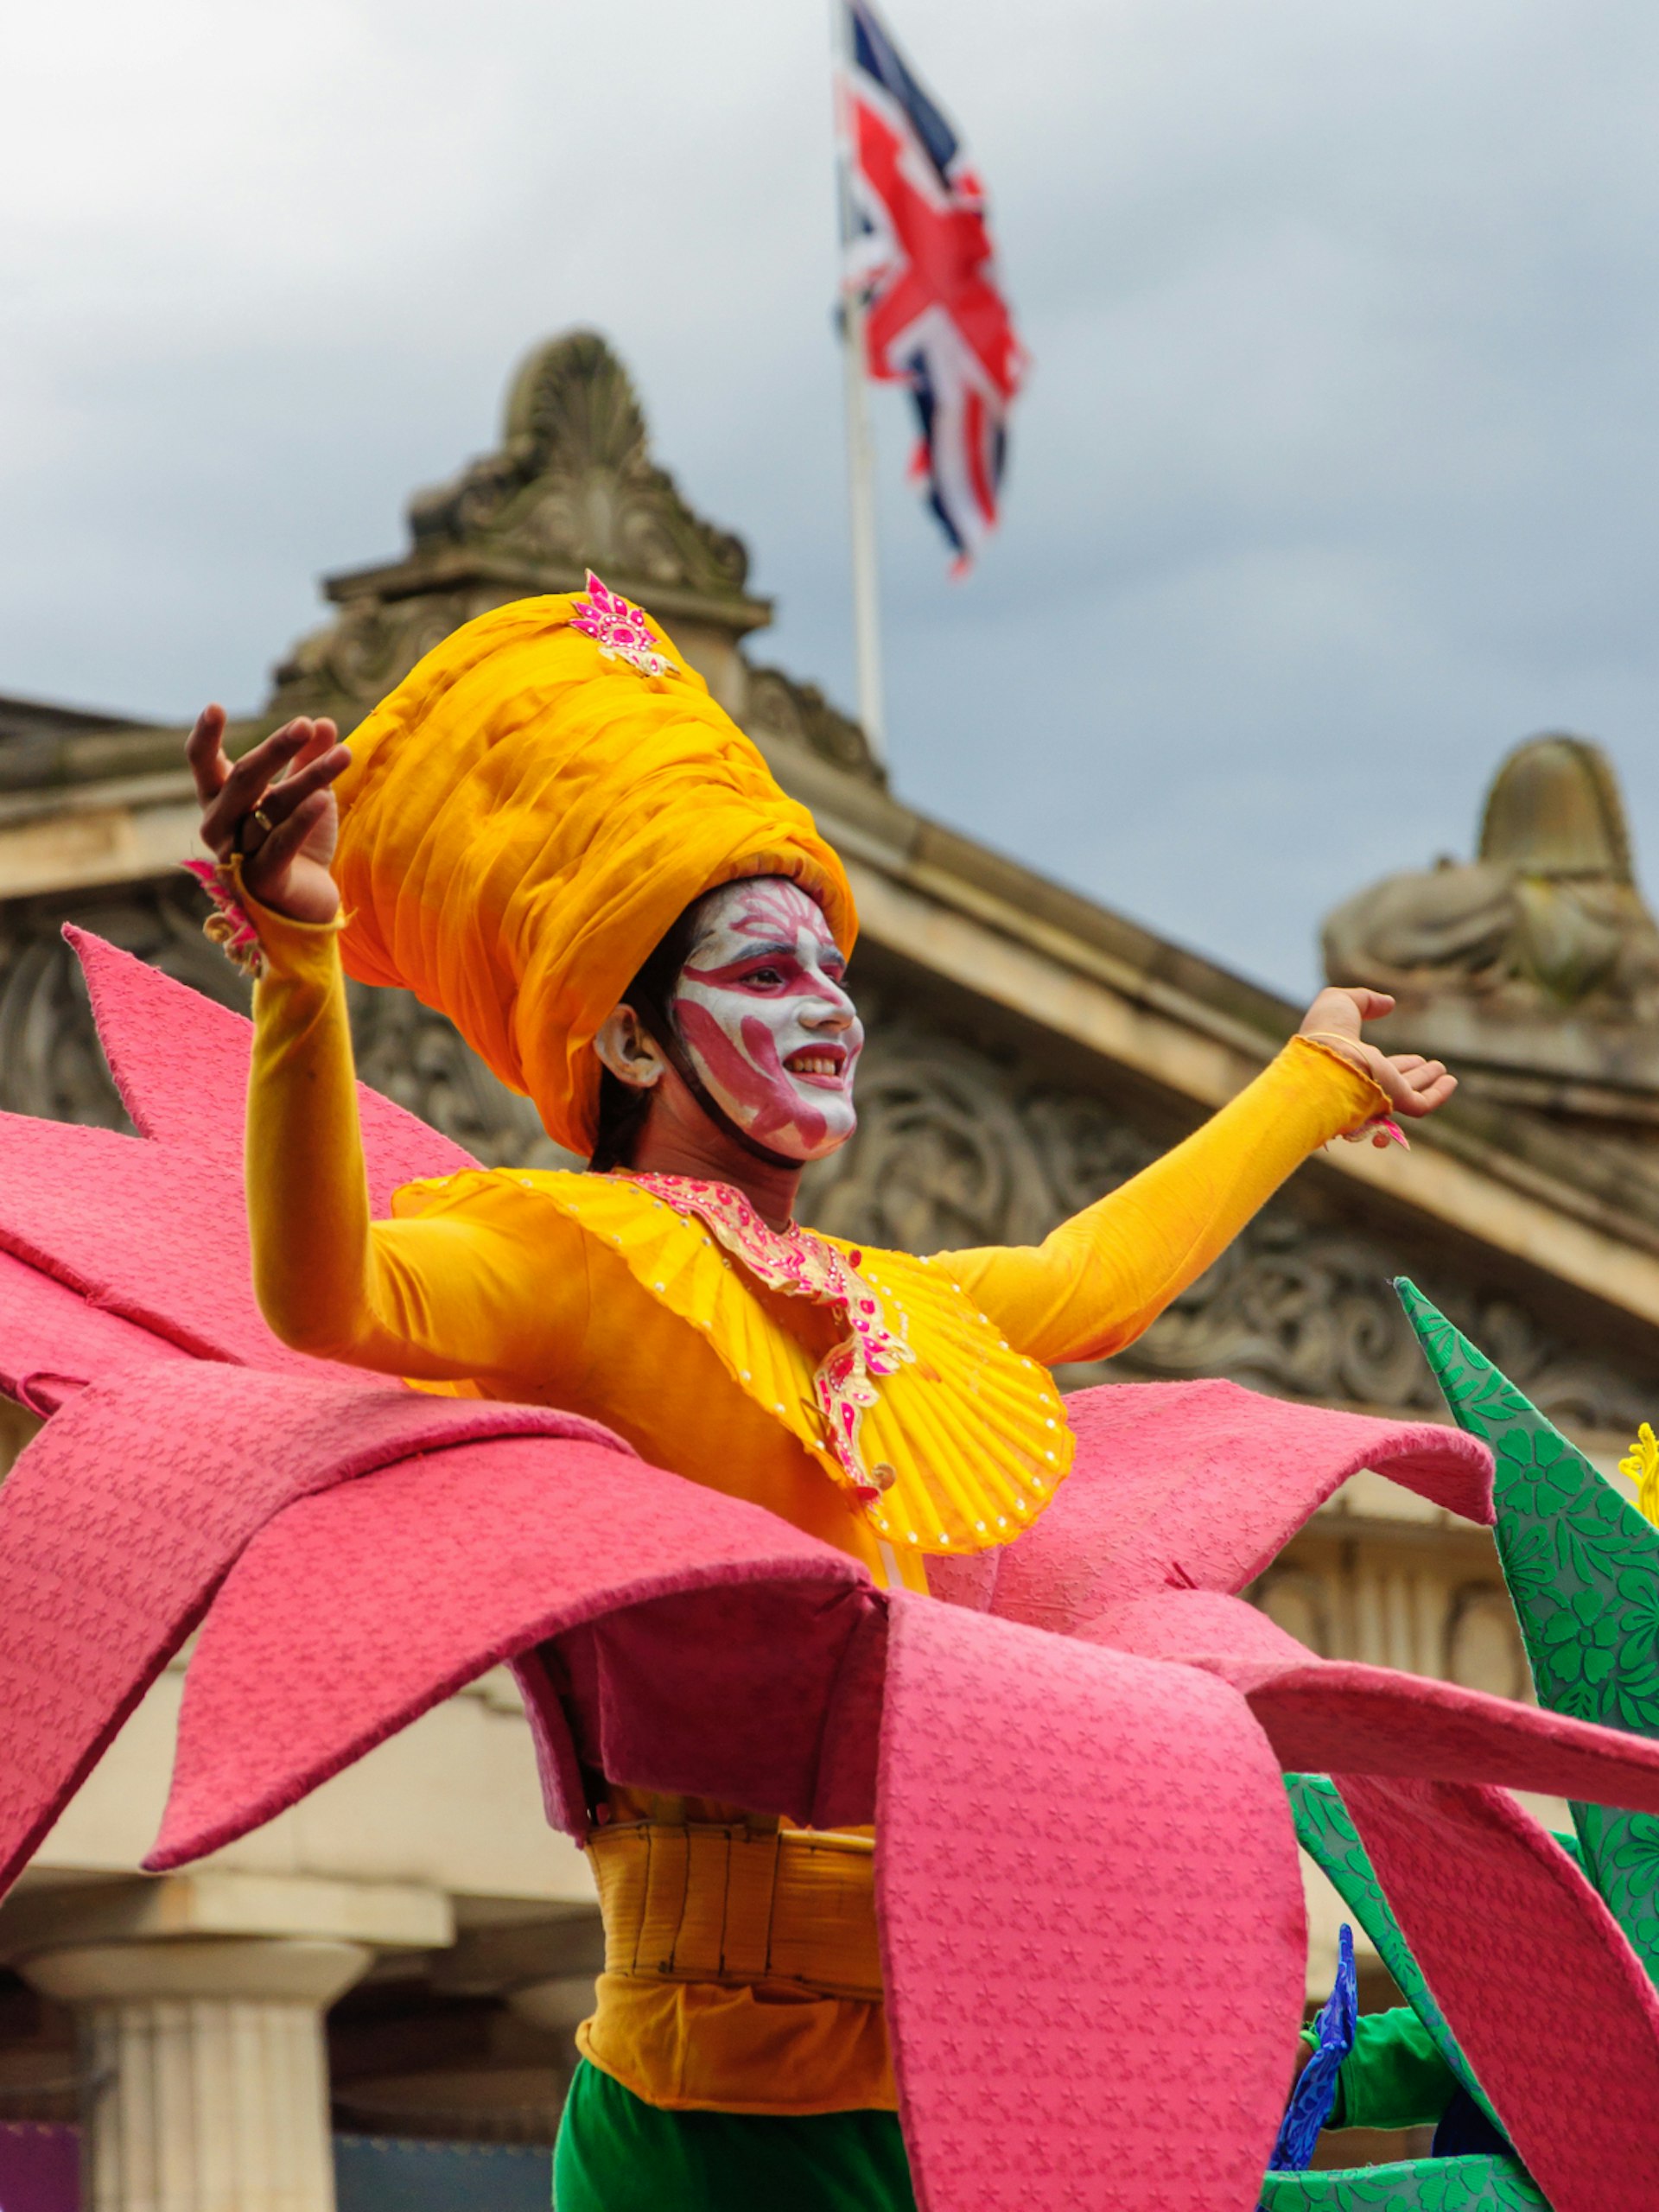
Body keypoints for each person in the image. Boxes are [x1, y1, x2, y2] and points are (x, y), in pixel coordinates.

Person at [184, 581, 1456, 2212]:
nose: (831, 1010)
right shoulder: (581, 1261)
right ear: (634, 1048)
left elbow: (1090, 1285)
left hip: (940, 2074)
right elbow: (329, 1295)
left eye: (835, 971)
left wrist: (1312, 1078)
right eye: (769, 972)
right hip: (701, 2117)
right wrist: (303, 960)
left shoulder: (891, 1307)